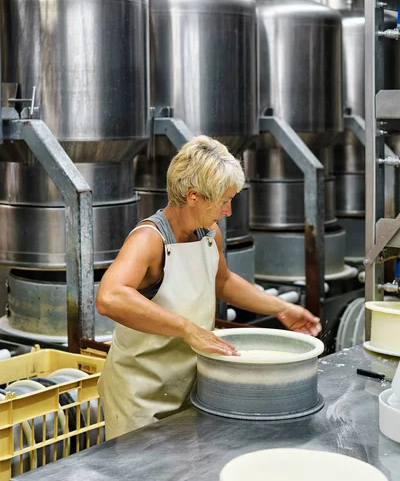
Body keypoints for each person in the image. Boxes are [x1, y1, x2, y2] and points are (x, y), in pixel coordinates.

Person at [96, 136, 321, 439]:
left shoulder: (208, 233)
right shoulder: (149, 240)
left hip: (190, 383)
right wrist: (187, 329)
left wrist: (281, 308)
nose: (228, 211)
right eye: (224, 201)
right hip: (140, 393)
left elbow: (223, 281)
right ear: (193, 196)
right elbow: (109, 297)